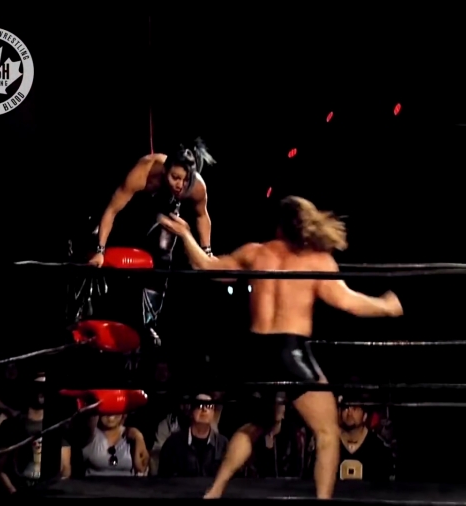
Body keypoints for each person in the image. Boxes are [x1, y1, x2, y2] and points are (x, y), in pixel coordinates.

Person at [158, 195, 403, 499]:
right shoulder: (316, 261)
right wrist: (387, 306)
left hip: (256, 352)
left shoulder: (256, 253)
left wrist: (185, 234)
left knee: (256, 424)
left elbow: (207, 267)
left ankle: (215, 490)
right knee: (327, 432)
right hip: (291, 351)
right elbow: (349, 303)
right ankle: (323, 503)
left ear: (278, 227)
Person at [80, 138, 216, 345]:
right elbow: (112, 209)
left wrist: (207, 254)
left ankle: (148, 322)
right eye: (175, 177)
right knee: (95, 241)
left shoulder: (196, 187)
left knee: (165, 241)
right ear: (166, 170)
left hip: (161, 214)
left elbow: (202, 216)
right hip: (131, 211)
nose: (180, 185)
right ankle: (87, 306)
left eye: (185, 179)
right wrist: (100, 250)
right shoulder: (145, 171)